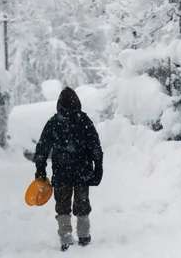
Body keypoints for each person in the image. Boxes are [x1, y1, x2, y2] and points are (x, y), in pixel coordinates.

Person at [34, 87, 103, 251]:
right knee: (82, 203)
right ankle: (84, 235)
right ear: (78, 103)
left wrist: (40, 170)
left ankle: (65, 238)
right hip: (82, 172)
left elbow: (42, 149)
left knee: (63, 205)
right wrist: (98, 167)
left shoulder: (54, 122)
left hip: (62, 172)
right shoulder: (84, 120)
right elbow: (95, 146)